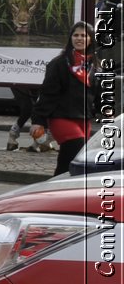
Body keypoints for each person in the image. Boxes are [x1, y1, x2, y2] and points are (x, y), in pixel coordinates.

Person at [32, 21, 98, 176]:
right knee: (74, 150)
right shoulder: (59, 63)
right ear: (70, 39)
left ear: (90, 39)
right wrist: (38, 120)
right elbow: (47, 93)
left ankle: (66, 191)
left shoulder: (95, 65)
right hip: (61, 117)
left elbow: (98, 95)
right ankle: (54, 190)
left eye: (84, 35)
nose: (79, 38)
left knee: (76, 160)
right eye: (75, 35)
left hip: (83, 119)